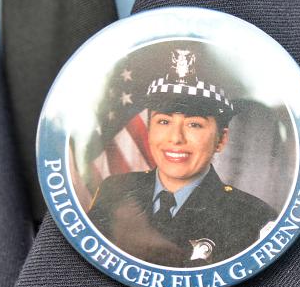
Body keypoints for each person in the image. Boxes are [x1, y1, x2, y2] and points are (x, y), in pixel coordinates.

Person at [87, 49, 277, 267]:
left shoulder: (251, 217)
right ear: (149, 129)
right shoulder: (114, 190)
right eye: (164, 122)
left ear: (221, 139)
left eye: (194, 124)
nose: (175, 138)